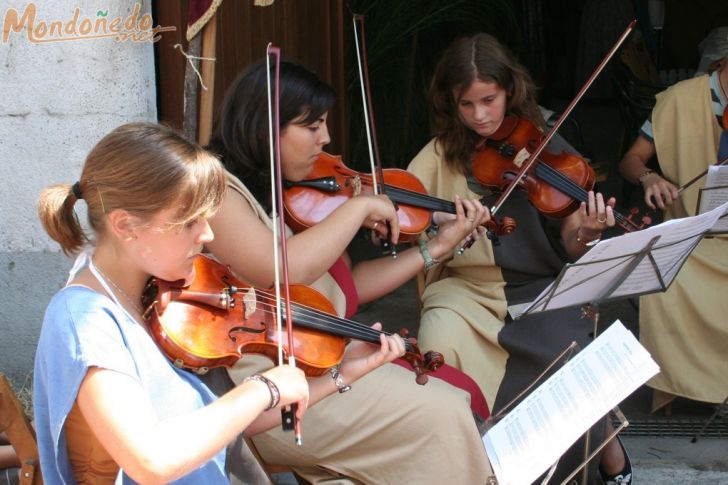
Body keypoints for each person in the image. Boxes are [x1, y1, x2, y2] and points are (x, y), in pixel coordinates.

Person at [205, 59, 496, 483]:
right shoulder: (220, 191)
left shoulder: (286, 192)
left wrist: (436, 248)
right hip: (279, 399)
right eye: (313, 126)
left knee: (451, 396)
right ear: (266, 127)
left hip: (325, 359)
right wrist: (359, 207)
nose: (325, 139)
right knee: (444, 414)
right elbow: (280, 271)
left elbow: (346, 288)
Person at [33, 122, 327, 484]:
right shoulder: (85, 322)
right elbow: (152, 460)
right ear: (125, 226)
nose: (208, 234)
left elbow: (217, 420)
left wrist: (343, 374)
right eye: (190, 222)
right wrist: (263, 388)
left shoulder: (153, 297)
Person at [406, 33, 631, 484]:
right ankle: (475, 470)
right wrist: (433, 227)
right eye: (466, 104)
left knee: (570, 349)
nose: (480, 115)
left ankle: (579, 466)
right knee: (438, 338)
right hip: (463, 290)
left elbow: (572, 243)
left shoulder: (546, 144)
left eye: (489, 99)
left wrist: (586, 231)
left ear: (510, 89)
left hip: (538, 285)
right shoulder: (436, 155)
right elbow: (412, 225)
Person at [618, 56, 728, 413]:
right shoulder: (681, 99)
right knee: (665, 267)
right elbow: (631, 159)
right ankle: (685, 384)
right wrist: (649, 177)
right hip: (691, 235)